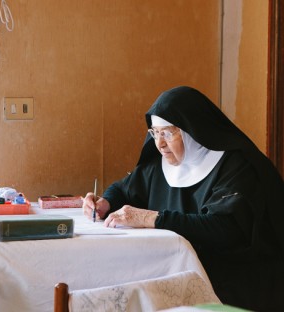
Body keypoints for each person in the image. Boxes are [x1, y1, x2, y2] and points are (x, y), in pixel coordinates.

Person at [82, 86, 284, 311]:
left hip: (231, 279)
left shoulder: (235, 167)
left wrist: (153, 219)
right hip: (178, 272)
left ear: (194, 130)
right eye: (155, 133)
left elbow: (224, 229)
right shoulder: (159, 166)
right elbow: (123, 189)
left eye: (168, 133)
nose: (159, 144)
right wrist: (105, 202)